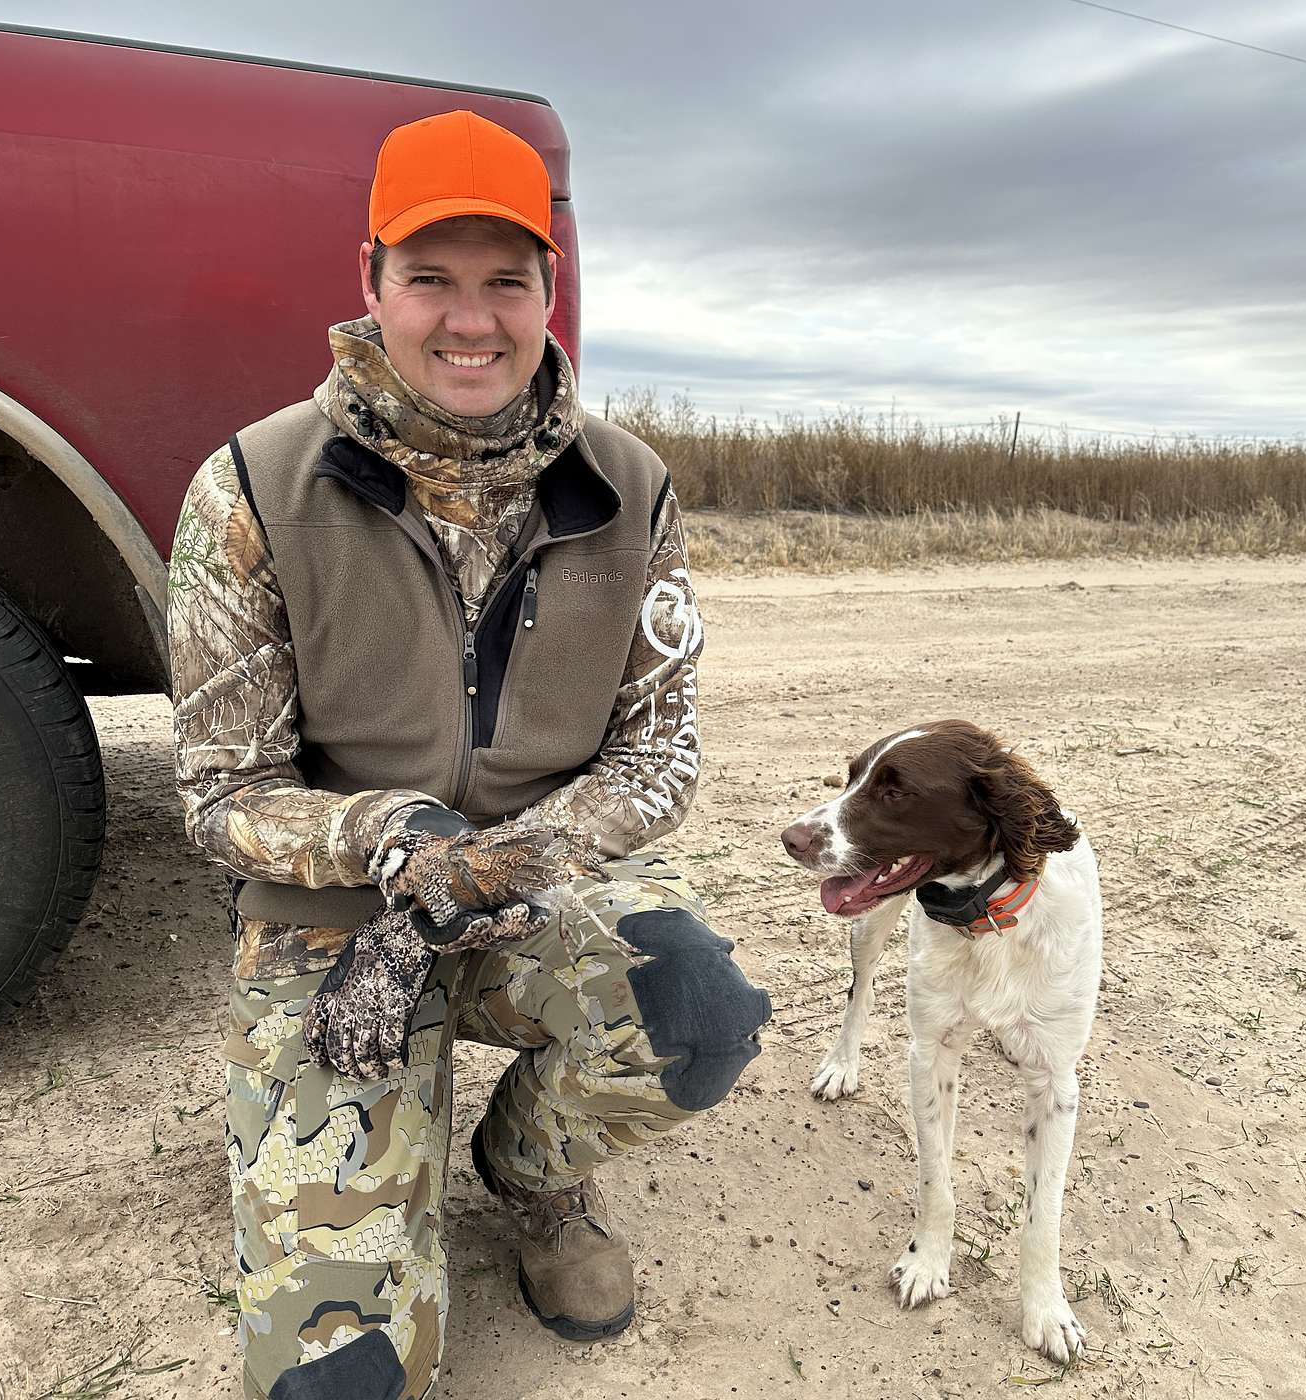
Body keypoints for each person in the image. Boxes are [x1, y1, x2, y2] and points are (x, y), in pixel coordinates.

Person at [167, 108, 772, 1400]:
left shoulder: (630, 489)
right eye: (431, 279)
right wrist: (394, 842)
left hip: (534, 897)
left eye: (508, 281)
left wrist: (502, 865)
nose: (471, 319)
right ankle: (380, 1175)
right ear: (371, 281)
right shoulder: (252, 489)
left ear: (551, 293)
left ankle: (529, 1178)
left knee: (697, 1012)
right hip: (336, 938)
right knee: (345, 1386)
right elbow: (224, 800)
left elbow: (662, 757)